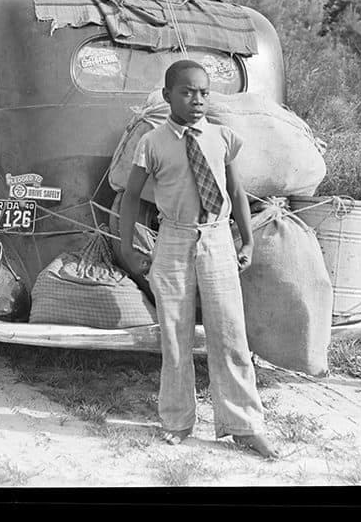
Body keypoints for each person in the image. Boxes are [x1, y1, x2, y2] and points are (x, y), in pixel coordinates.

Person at [119, 59, 279, 459]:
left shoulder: (222, 137)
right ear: (167, 96)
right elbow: (130, 198)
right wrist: (127, 249)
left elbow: (238, 193)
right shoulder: (152, 143)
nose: (197, 100)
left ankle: (244, 424)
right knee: (175, 337)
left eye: (204, 92)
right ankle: (176, 421)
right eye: (188, 92)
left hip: (217, 240)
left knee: (230, 334)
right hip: (173, 241)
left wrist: (247, 242)